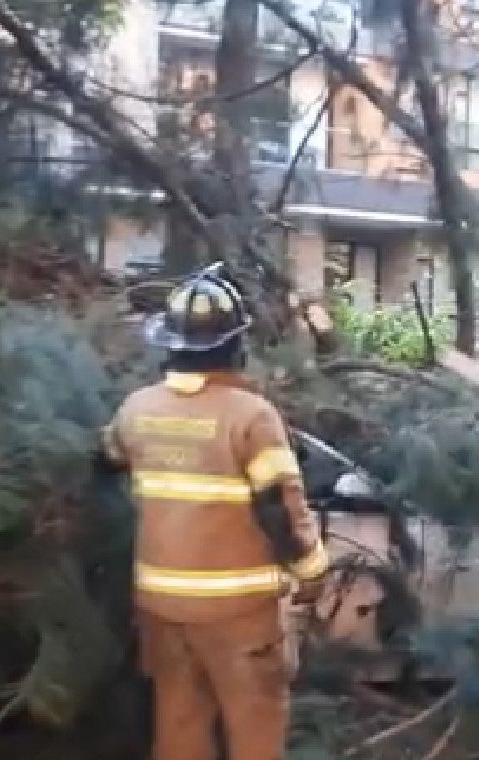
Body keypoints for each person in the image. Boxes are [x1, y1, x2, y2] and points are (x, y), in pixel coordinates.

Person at [99, 262, 330, 760]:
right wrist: (311, 572)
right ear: (234, 345)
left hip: (160, 603)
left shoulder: (136, 408)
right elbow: (279, 511)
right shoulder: (251, 416)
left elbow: (110, 456)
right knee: (255, 728)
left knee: (179, 725)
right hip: (239, 612)